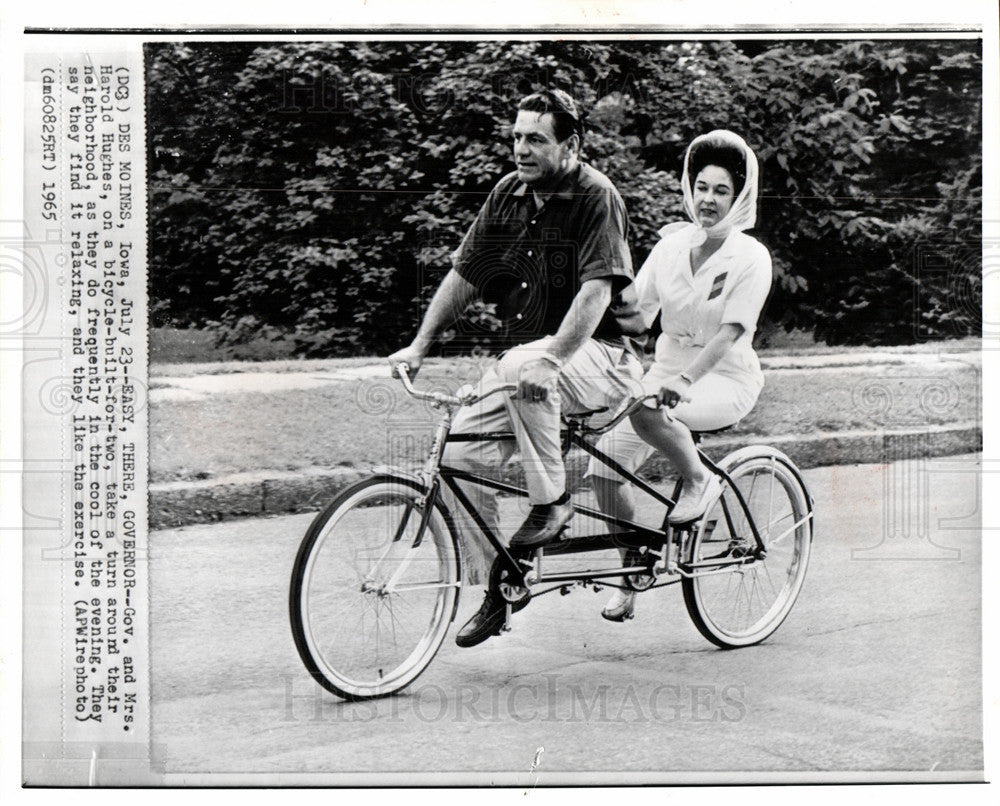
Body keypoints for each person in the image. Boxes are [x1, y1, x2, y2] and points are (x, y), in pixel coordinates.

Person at [387, 89, 644, 648]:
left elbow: (598, 292)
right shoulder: (509, 193)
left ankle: (551, 504)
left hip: (600, 361)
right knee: (453, 452)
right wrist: (419, 345)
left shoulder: (597, 196)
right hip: (525, 371)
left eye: (535, 138)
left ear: (571, 144)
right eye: (516, 137)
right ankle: (503, 586)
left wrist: (551, 358)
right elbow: (465, 274)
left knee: (522, 363)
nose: (520, 149)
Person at [587, 130, 773, 622]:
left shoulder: (751, 257)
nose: (707, 200)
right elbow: (637, 314)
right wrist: (594, 300)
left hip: (725, 378)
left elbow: (731, 332)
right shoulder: (671, 246)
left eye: (720, 191)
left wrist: (685, 382)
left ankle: (697, 481)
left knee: (650, 409)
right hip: (663, 376)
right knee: (600, 472)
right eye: (701, 187)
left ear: (738, 198)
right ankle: (633, 568)